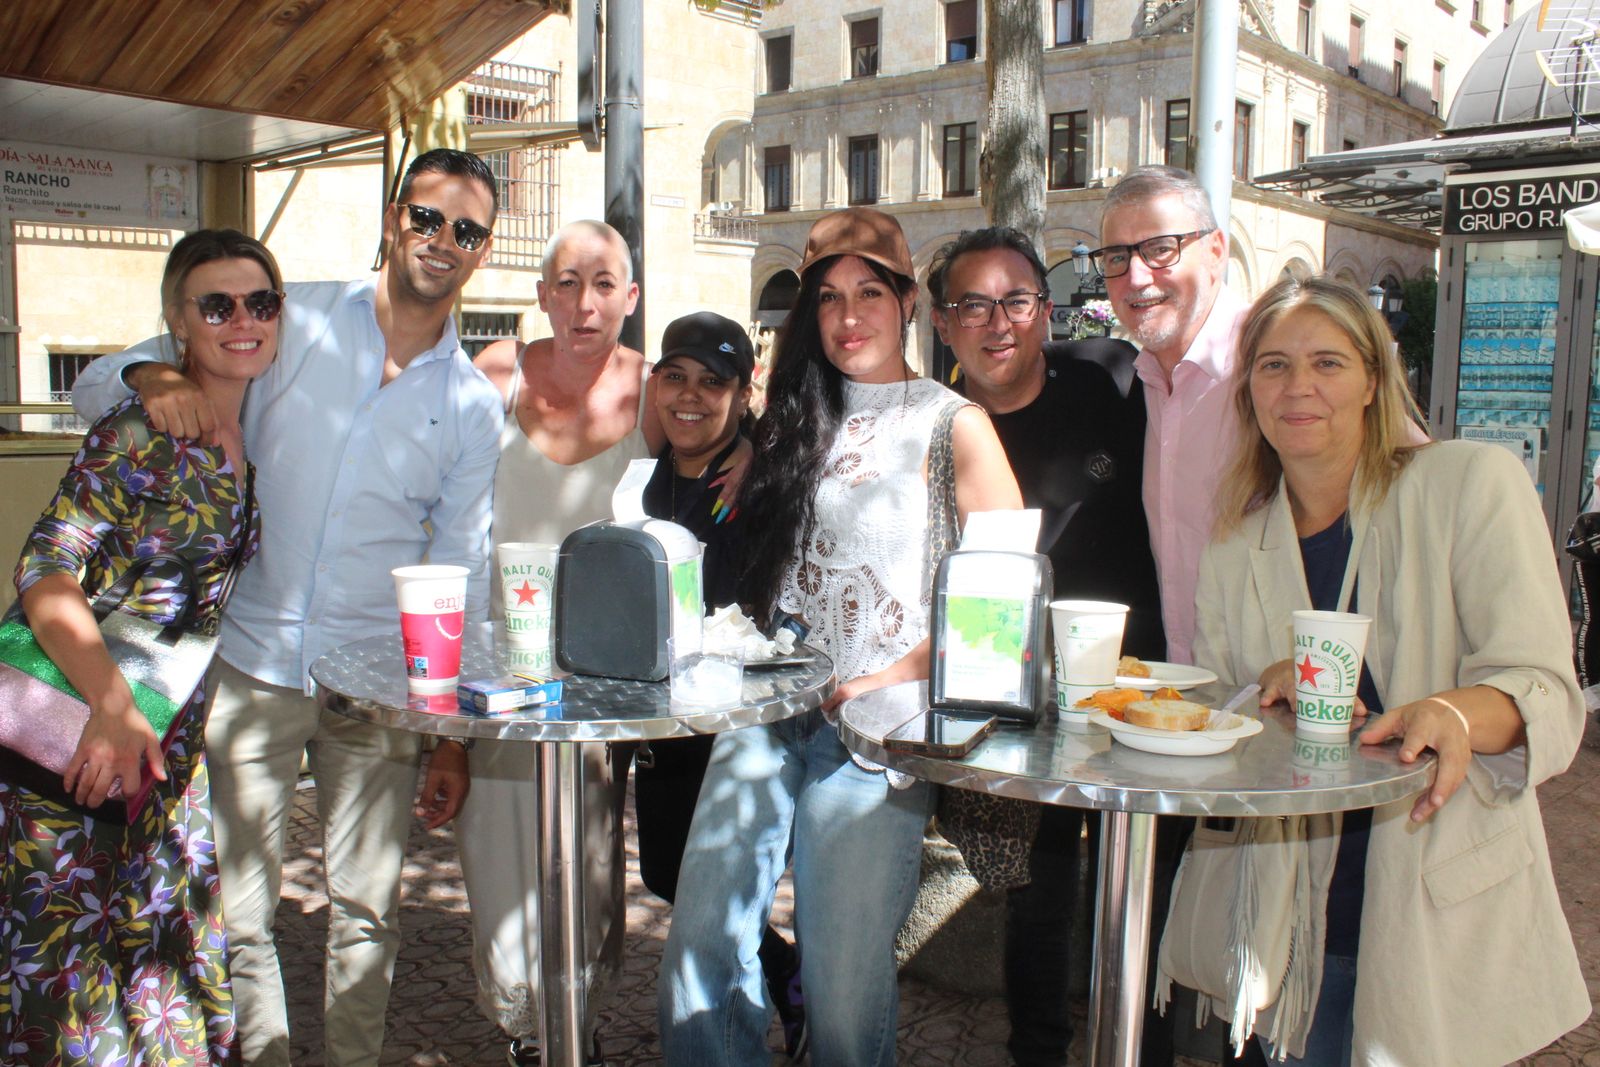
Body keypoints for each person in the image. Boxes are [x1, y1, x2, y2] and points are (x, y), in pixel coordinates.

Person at [70, 149, 503, 1067]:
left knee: (369, 911)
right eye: (428, 218)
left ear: (483, 251)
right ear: (394, 218)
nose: (442, 242)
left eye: (466, 231)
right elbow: (93, 382)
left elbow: (456, 568)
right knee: (242, 908)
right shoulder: (285, 311)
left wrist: (450, 734)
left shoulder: (470, 403)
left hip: (372, 682)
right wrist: (154, 378)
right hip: (251, 665)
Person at [1183, 275, 1588, 1064]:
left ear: (1373, 378)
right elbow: (1218, 715)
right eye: (1273, 365)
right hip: (1292, 916)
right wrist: (1259, 692)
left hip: (1432, 899)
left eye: (1327, 362)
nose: (1299, 386)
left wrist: (1459, 714)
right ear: (1249, 392)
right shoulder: (1236, 541)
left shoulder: (1470, 482)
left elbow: (1544, 687)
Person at [659, 206, 1022, 1067]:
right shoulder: (792, 421)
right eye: (827, 298)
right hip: (771, 706)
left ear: (906, 303)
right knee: (699, 940)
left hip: (878, 728)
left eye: (869, 292)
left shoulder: (954, 424)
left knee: (842, 986)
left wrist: (892, 674)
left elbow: (1002, 605)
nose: (848, 315)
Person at [2, 229, 277, 1063]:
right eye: (217, 305)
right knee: (74, 996)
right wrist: (112, 709)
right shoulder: (142, 431)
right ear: (177, 320)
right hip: (81, 742)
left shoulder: (236, 440)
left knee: (161, 980)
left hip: (161, 756)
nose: (243, 321)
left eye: (261, 303)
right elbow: (43, 571)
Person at [927, 226, 1163, 1067]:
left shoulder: (1112, 377)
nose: (999, 323)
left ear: (1048, 311)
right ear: (944, 322)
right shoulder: (935, 424)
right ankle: (1040, 1053)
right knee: (1040, 894)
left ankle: (1151, 1048)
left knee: (1151, 893)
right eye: (973, 304)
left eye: (1017, 300)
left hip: (1147, 686)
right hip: (1019, 696)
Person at [463, 218, 661, 1067]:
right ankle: (520, 1031)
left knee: (585, 861)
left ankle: (575, 1023)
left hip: (601, 675)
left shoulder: (658, 391)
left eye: (605, 283)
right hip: (498, 665)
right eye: (567, 283)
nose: (585, 302)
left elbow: (725, 462)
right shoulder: (496, 375)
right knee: (497, 851)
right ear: (541, 294)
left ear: (631, 297)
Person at [636, 310, 806, 1058]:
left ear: (742, 393)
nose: (690, 396)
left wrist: (766, 449)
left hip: (743, 724)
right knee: (666, 867)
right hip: (668, 721)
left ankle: (775, 994)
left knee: (718, 886)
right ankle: (786, 966)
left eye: (713, 381)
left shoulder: (760, 479)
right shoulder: (643, 484)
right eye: (675, 375)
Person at [1095, 164, 1243, 668]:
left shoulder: (1272, 358)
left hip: (1288, 698)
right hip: (1190, 695)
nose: (1136, 277)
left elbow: (1405, 472)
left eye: (1161, 249)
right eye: (1117, 256)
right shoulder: (1147, 381)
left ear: (1216, 252)